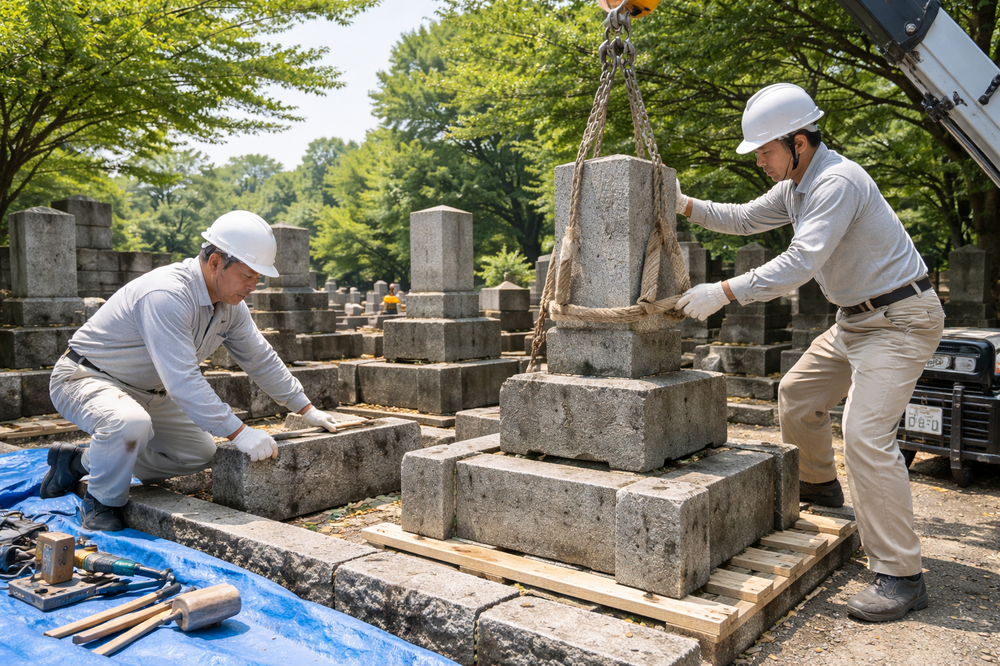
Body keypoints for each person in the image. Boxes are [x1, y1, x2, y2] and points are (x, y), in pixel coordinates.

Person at [675, 83, 944, 623]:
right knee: (797, 394)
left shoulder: (836, 182)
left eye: (765, 150)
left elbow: (800, 263)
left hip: (899, 320)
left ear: (799, 141)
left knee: (867, 436)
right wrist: (680, 203)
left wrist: (723, 292)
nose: (759, 160)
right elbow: (744, 219)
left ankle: (901, 575)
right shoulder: (797, 184)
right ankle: (821, 490)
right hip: (855, 321)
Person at [40, 211, 343, 531]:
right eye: (247, 275)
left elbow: (260, 358)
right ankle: (101, 502)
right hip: (87, 377)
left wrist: (305, 408)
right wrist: (240, 432)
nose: (253, 286)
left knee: (198, 452)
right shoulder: (167, 294)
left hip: (149, 391)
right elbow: (183, 380)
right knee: (129, 424)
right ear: (215, 262)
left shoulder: (231, 307)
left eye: (258, 278)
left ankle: (78, 462)